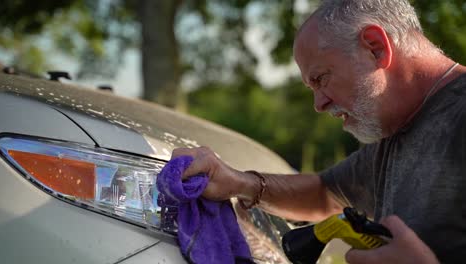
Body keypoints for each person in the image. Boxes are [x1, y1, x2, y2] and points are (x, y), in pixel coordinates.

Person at [172, 0, 466, 263]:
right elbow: (324, 194)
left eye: (321, 78)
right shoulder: (398, 131)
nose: (319, 104)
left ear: (375, 47)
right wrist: (238, 182)